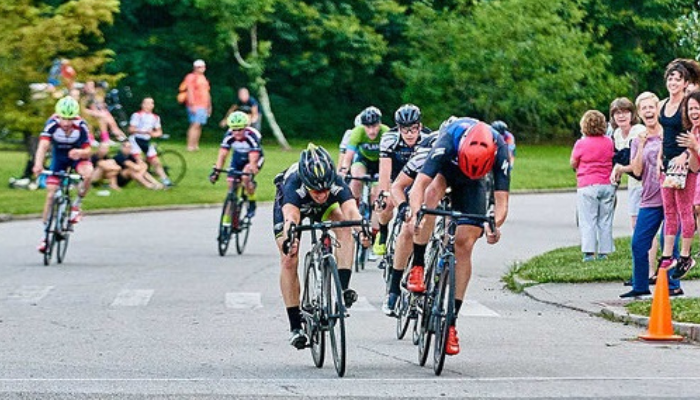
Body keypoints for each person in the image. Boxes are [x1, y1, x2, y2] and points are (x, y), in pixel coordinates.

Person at [408, 118, 511, 355]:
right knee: (431, 195)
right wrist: (416, 214)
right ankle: (418, 265)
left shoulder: (500, 149)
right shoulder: (448, 140)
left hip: (475, 181)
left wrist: (493, 226)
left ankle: (451, 323)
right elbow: (419, 187)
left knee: (465, 244)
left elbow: (502, 202)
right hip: (448, 170)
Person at [273, 144, 369, 348]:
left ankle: (342, 289)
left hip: (325, 210)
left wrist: (362, 228)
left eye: (326, 189)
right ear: (307, 184)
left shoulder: (335, 182)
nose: (322, 194)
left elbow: (351, 211)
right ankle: (295, 326)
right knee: (289, 256)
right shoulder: (293, 184)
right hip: (295, 207)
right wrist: (290, 236)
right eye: (317, 190)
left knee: (344, 227)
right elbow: (291, 216)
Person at [620, 92, 684, 298]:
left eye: (652, 107)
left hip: (672, 197)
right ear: (639, 113)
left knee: (670, 243)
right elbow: (637, 172)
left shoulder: (670, 133)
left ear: (658, 110)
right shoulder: (638, 140)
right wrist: (641, 147)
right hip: (649, 198)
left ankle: (672, 285)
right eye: (644, 108)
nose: (649, 111)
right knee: (639, 243)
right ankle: (640, 286)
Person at [381, 126, 440, 315]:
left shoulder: (462, 159)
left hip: (448, 188)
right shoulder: (423, 156)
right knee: (410, 227)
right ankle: (394, 289)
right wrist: (403, 208)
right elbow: (396, 186)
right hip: (418, 186)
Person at [32, 97, 94, 252]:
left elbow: (89, 150)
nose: (66, 123)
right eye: (63, 118)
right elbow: (43, 145)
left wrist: (80, 152)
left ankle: (76, 206)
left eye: (70, 119)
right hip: (59, 159)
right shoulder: (52, 124)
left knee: (88, 174)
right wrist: (38, 164)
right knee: (50, 194)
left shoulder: (81, 126)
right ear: (57, 115)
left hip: (77, 158)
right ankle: (45, 236)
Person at [657, 59, 700, 277]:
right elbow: (663, 135)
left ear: (685, 83)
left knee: (684, 209)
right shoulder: (662, 104)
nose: (673, 82)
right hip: (667, 163)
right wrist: (659, 158)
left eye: (678, 79)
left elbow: (694, 131)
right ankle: (667, 256)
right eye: (670, 78)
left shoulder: (687, 104)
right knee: (669, 210)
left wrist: (685, 155)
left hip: (685, 163)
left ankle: (685, 255)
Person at [374, 104, 431, 258]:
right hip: (396, 176)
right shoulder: (389, 139)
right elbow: (384, 170)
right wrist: (383, 194)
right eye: (404, 129)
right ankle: (383, 230)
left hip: (417, 178)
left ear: (420, 126)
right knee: (386, 204)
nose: (409, 134)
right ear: (398, 128)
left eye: (413, 128)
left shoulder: (428, 139)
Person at [570, 110, 615, 261]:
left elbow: (573, 162)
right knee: (605, 219)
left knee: (588, 220)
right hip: (607, 184)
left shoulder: (581, 143)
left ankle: (589, 252)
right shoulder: (609, 142)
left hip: (587, 185)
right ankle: (604, 252)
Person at [209, 111, 263, 219]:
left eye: (240, 129)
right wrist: (217, 172)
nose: (237, 132)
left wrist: (252, 168)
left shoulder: (252, 136)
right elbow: (222, 155)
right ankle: (227, 221)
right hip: (238, 158)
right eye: (234, 129)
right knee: (231, 185)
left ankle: (251, 200)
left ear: (245, 128)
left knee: (245, 176)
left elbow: (253, 158)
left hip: (253, 157)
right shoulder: (229, 136)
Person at [609, 97, 646, 230]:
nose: (621, 116)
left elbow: (641, 164)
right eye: (617, 113)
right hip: (633, 184)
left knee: (645, 225)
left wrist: (620, 169)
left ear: (632, 114)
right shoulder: (617, 134)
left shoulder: (639, 131)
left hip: (646, 182)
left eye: (625, 112)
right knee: (635, 223)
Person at [338, 106, 390, 199]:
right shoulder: (357, 132)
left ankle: (375, 210)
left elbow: (390, 158)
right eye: (368, 127)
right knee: (356, 180)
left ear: (380, 124)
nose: (371, 131)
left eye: (374, 126)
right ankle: (354, 207)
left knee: (377, 193)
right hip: (363, 159)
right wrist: (343, 170)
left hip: (380, 162)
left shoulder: (386, 132)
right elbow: (348, 155)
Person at [675, 89, 700, 278]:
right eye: (691, 108)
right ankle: (686, 256)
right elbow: (694, 166)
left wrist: (696, 145)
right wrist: (691, 149)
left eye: (697, 108)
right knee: (695, 210)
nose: (694, 112)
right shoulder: (693, 131)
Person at [128, 97, 172, 187]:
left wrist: (153, 134)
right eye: (146, 103)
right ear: (143, 105)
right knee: (140, 162)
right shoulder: (137, 115)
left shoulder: (155, 117)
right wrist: (143, 131)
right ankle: (144, 181)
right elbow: (131, 129)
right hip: (136, 140)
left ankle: (165, 180)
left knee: (156, 162)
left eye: (151, 103)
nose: (149, 105)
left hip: (146, 140)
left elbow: (159, 131)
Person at [183, 59, 212, 151]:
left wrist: (209, 106)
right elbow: (189, 91)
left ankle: (195, 145)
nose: (201, 69)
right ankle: (189, 145)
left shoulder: (204, 78)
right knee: (194, 124)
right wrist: (192, 104)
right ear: (195, 68)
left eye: (203, 66)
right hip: (195, 105)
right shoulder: (191, 77)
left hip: (203, 105)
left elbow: (207, 92)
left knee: (199, 125)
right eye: (199, 67)